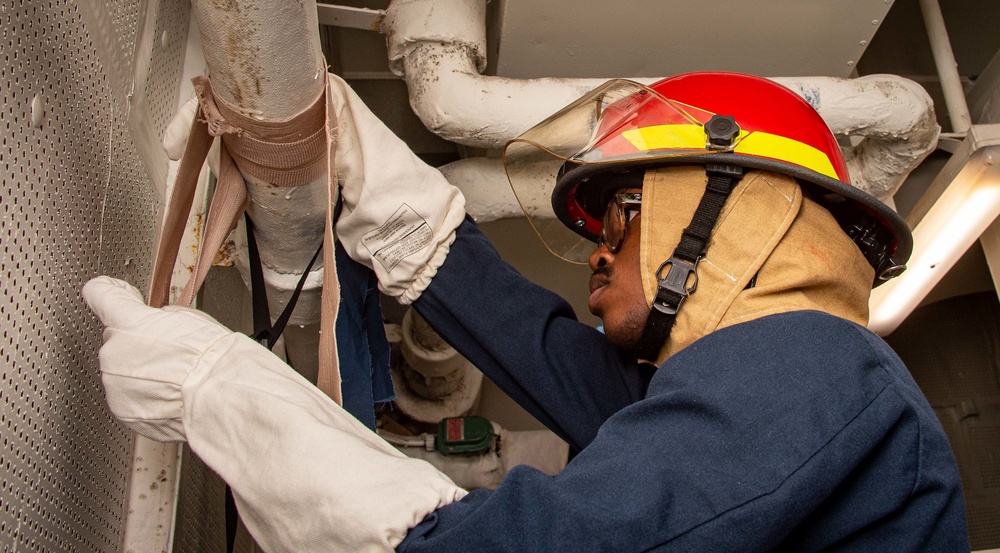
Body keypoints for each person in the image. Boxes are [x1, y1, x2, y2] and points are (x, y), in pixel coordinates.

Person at [82, 72, 970, 551]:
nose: (598, 251)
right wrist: (373, 177)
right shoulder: (799, 396)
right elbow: (544, 350)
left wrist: (221, 390)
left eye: (624, 216)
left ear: (732, 215)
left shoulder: (816, 367)